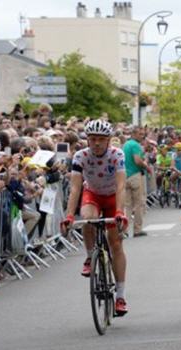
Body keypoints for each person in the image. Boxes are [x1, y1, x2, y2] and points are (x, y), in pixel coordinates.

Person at [60, 119, 130, 316]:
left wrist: (119, 212)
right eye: (92, 139)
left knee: (115, 243)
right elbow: (75, 188)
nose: (96, 143)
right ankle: (90, 256)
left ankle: (121, 296)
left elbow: (121, 186)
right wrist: (69, 215)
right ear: (87, 140)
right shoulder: (80, 156)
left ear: (108, 140)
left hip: (112, 197)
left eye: (101, 139)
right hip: (93, 195)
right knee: (88, 218)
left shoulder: (117, 155)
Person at [123, 127, 151, 237]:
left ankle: (124, 230)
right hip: (135, 175)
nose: (142, 136)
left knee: (127, 205)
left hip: (125, 175)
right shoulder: (135, 145)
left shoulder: (126, 144)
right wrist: (146, 166)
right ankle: (137, 229)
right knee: (139, 203)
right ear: (134, 134)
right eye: (140, 134)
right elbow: (137, 160)